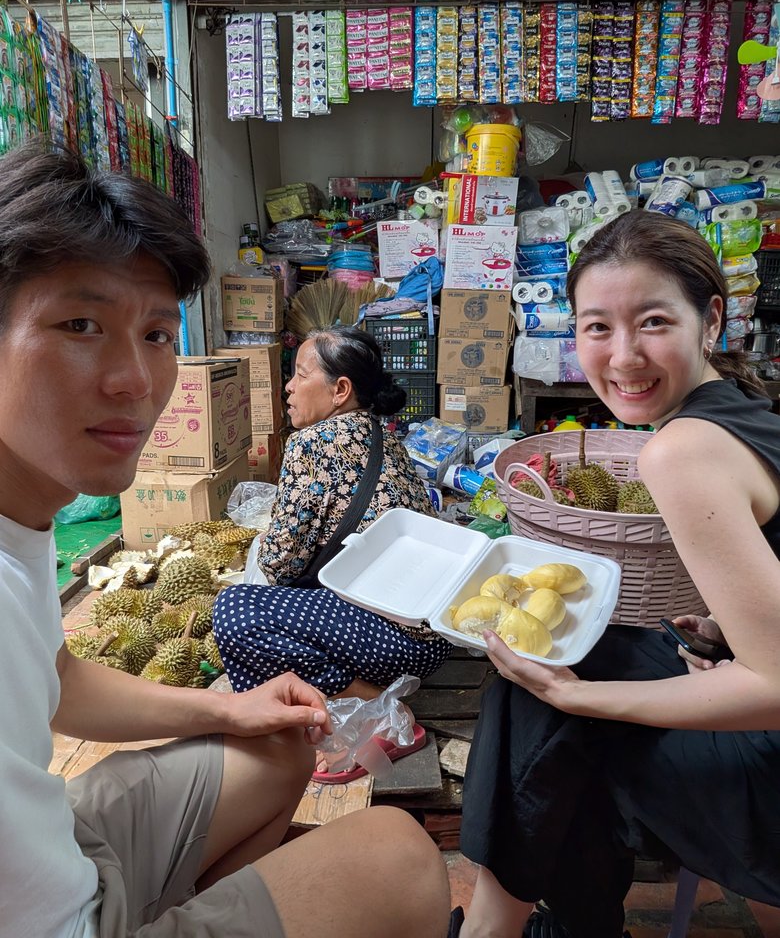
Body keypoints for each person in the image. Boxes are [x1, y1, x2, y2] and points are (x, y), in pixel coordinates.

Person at [0, 140, 451, 938]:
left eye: (155, 334)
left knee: (248, 632)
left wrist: (229, 707)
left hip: (61, 852)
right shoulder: (388, 436)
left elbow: (56, 672)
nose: (135, 381)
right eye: (80, 323)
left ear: (337, 390)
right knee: (398, 854)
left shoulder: (25, 521)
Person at [454, 209, 780, 938]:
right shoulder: (748, 414)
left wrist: (591, 699)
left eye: (653, 321)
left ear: (712, 320)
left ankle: (495, 928)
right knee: (557, 676)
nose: (624, 355)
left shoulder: (680, 453)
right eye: (597, 327)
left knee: (544, 689)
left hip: (770, 792)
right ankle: (568, 925)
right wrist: (729, 630)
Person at [213, 326, 452, 714]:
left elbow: (279, 562)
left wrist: (263, 546)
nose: (288, 388)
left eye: (301, 376)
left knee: (236, 611)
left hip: (397, 642)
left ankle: (372, 703)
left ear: (340, 390)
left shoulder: (311, 442)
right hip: (433, 638)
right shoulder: (383, 434)